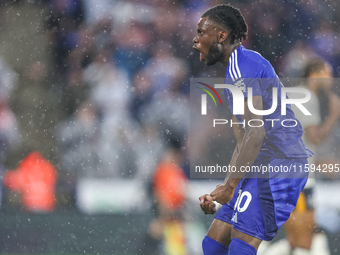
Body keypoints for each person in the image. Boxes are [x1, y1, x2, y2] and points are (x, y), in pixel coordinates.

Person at [192, 4, 313, 255]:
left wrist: (230, 186)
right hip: (262, 164)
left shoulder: (242, 66)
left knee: (240, 248)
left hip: (280, 165)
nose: (195, 39)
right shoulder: (236, 70)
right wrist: (226, 189)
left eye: (201, 32)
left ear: (221, 36)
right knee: (213, 245)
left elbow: (256, 133)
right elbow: (243, 142)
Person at [284, 58, 340, 255]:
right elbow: (313, 137)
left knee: (296, 239)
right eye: (328, 73)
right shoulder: (307, 97)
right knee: (303, 241)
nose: (331, 79)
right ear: (314, 75)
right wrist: (334, 115)